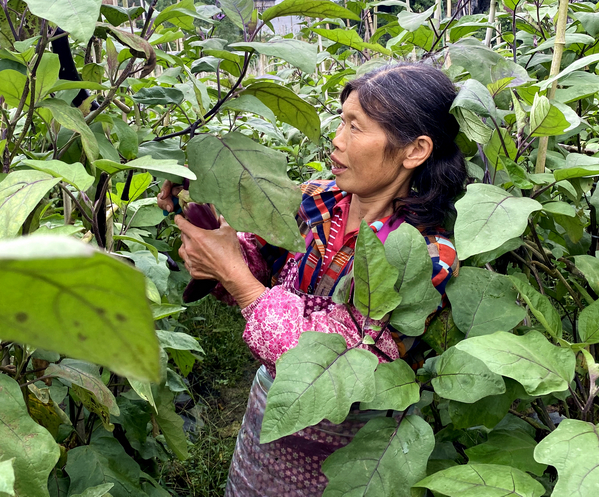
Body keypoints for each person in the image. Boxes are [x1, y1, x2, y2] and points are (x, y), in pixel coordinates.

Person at [157, 62, 467, 496]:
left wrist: (235, 275)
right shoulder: (317, 200)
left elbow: (356, 368)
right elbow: (261, 258)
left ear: (414, 150)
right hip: (272, 414)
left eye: (356, 128)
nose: (337, 141)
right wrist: (205, 230)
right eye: (341, 121)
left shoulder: (427, 254)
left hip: (353, 443)